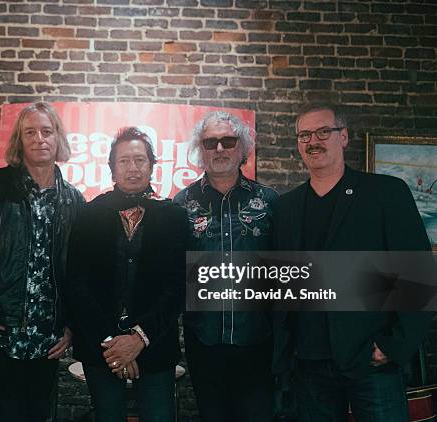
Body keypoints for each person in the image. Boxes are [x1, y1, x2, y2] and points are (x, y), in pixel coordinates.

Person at [272, 102, 433, 421]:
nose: (312, 141)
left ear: (343, 137)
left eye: (323, 132)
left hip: (371, 361)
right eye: (304, 135)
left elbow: (420, 276)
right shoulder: (286, 207)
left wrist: (392, 345)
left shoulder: (386, 193)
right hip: (308, 365)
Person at [0, 102, 84, 422]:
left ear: (57, 139)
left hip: (48, 340)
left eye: (46, 131)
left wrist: (71, 329)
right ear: (20, 141)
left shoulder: (75, 201)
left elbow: (82, 275)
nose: (39, 138)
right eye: (30, 132)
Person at [66, 127, 186, 422]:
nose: (132, 168)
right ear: (112, 168)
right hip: (100, 348)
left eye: (140, 160)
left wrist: (137, 340)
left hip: (155, 346)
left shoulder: (174, 216)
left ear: (151, 165)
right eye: (124, 161)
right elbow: (78, 285)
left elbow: (178, 287)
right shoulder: (88, 214)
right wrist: (114, 344)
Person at [173, 111, 278, 421]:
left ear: (242, 148)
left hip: (258, 341)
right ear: (200, 150)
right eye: (210, 142)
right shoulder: (181, 204)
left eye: (228, 141)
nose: (219, 149)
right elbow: (174, 274)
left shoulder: (269, 201)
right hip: (204, 341)